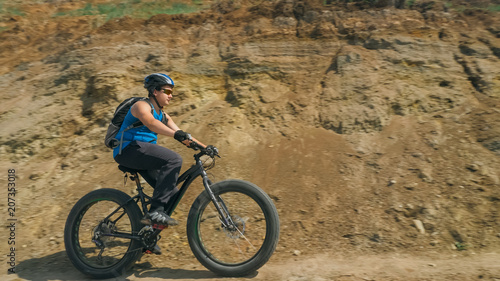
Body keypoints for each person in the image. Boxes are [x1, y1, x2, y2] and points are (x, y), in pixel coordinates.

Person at [113, 73, 208, 228]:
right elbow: (150, 123)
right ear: (155, 91)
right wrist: (176, 135)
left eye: (172, 92)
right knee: (174, 159)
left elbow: (184, 135)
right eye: (168, 91)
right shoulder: (141, 105)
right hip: (128, 149)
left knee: (172, 194)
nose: (171, 96)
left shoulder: (163, 115)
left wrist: (206, 148)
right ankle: (155, 212)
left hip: (142, 153)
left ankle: (145, 235)